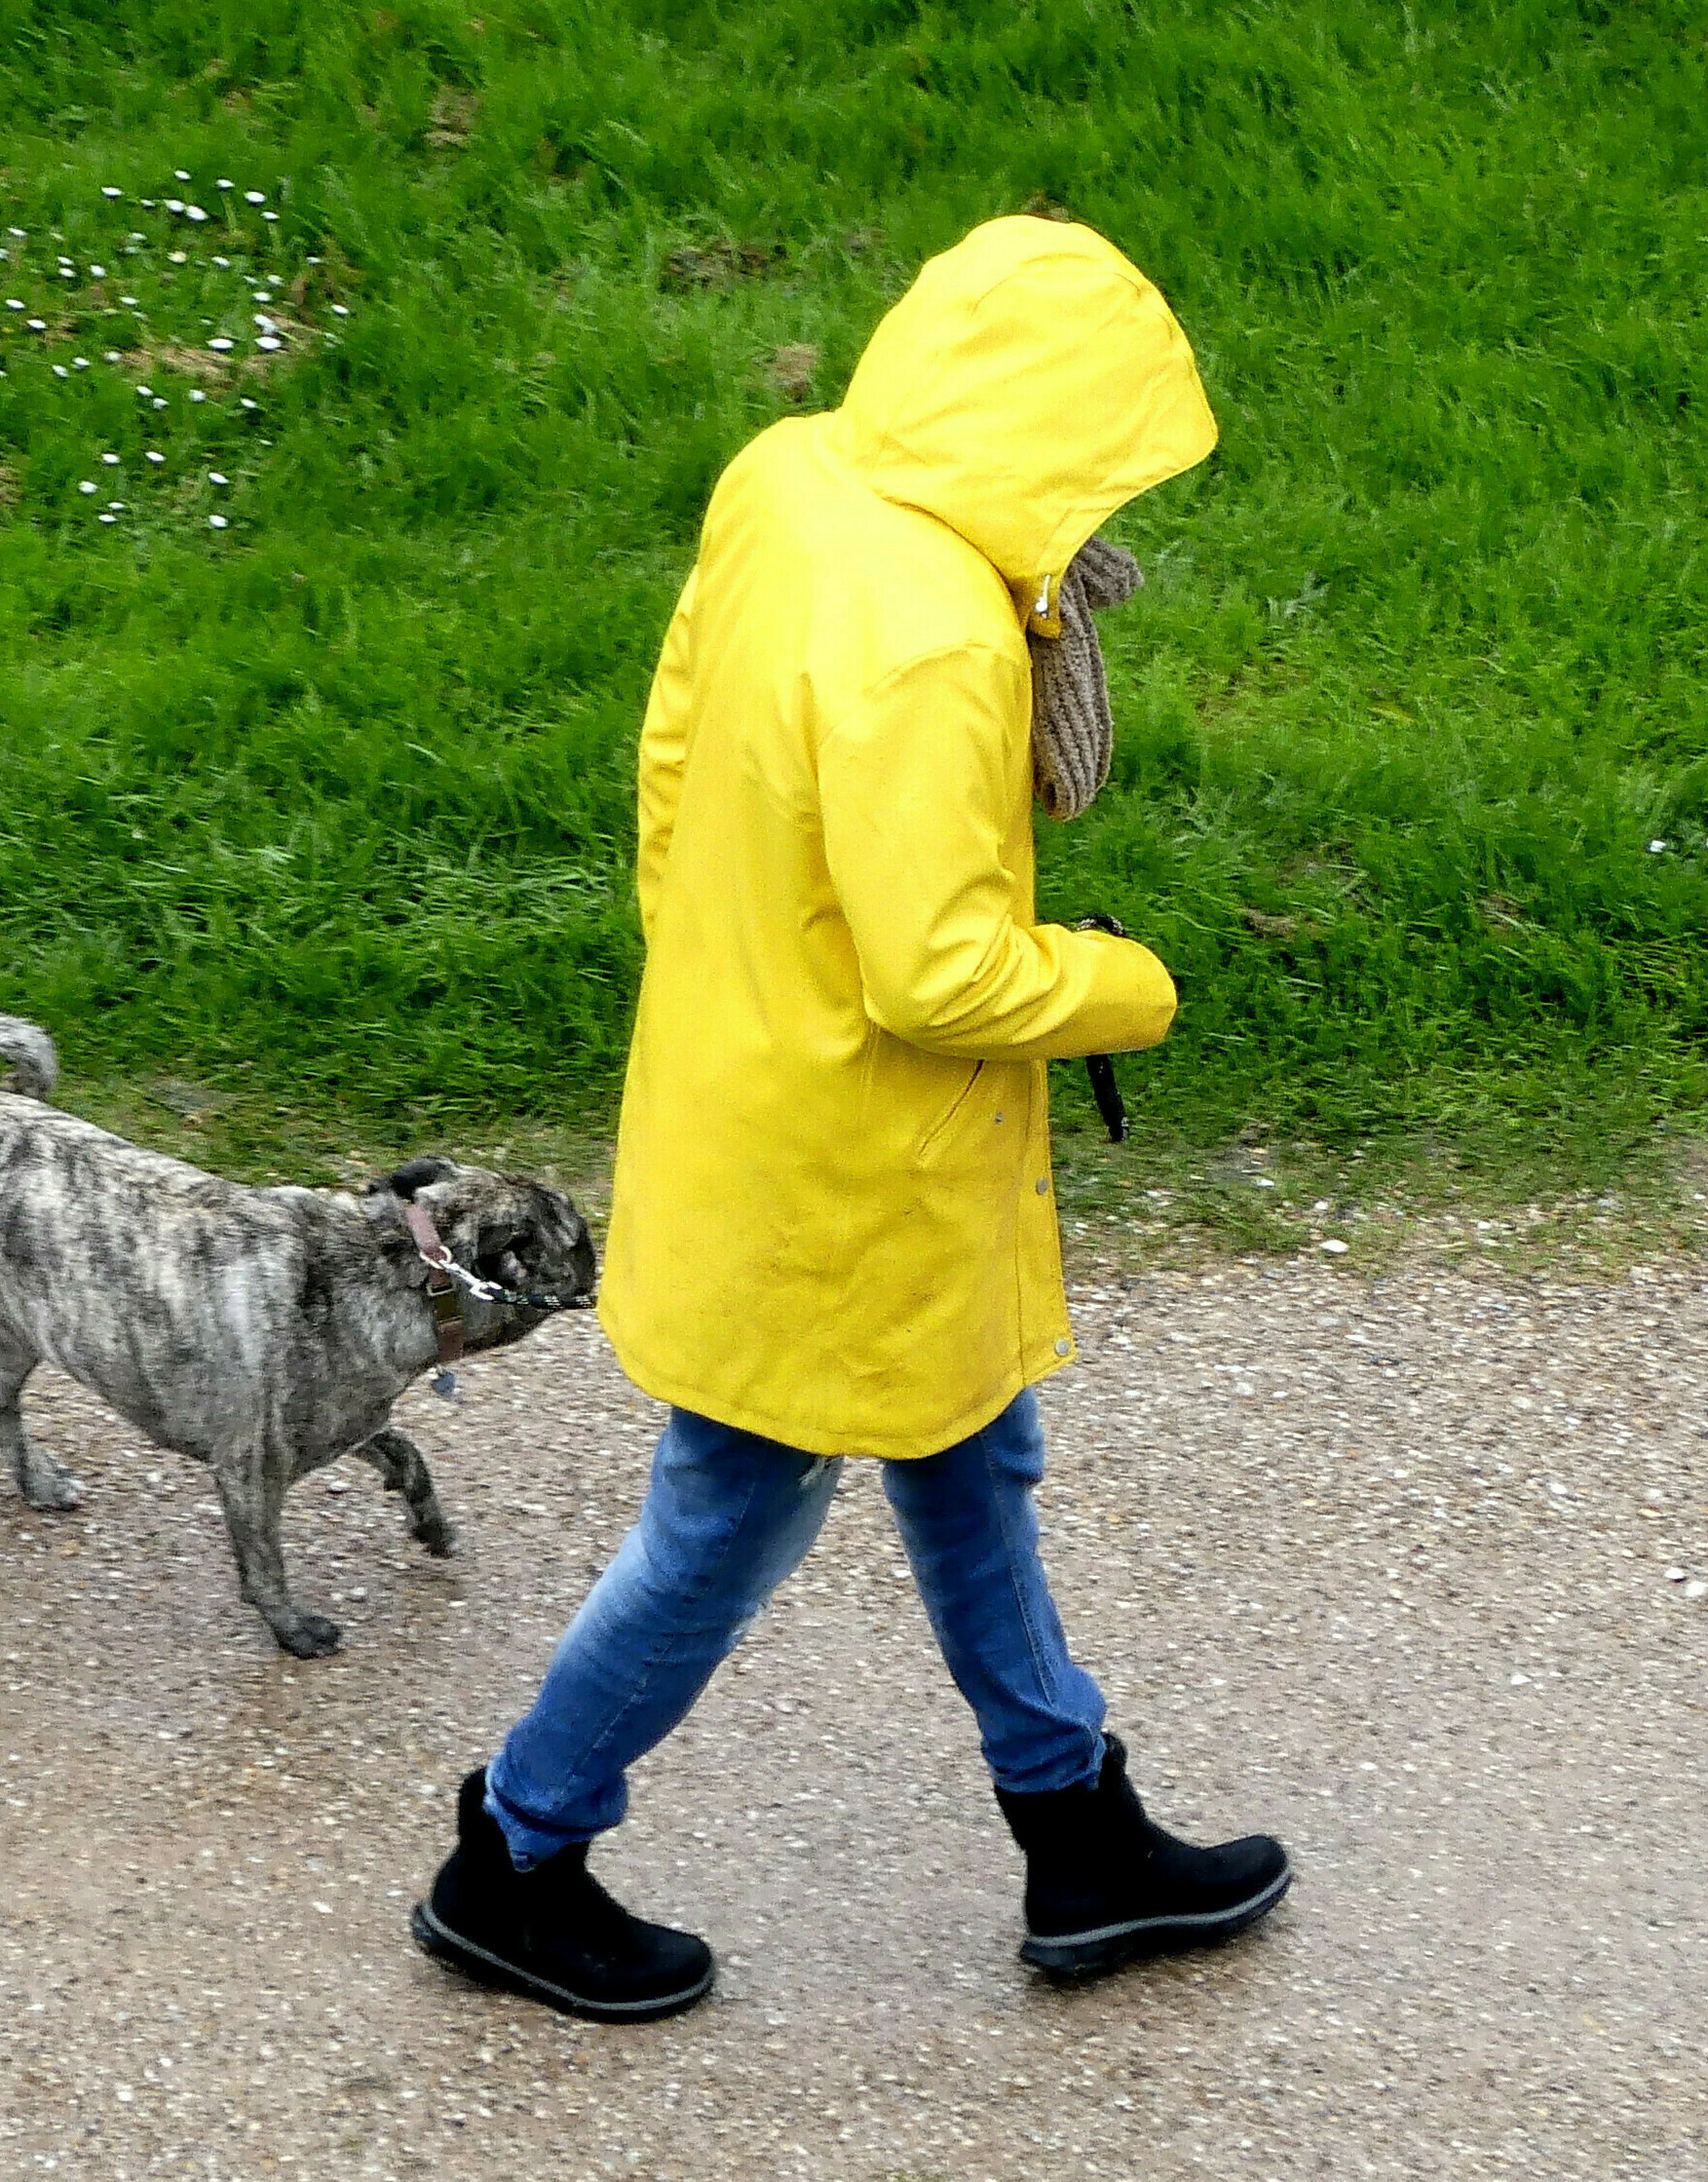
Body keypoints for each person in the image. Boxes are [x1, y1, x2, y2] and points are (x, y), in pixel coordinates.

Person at [407, 213, 1290, 2023]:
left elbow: (670, 745)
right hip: (844, 1171)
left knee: (974, 1462)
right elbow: (944, 976)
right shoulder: (937, 642)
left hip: (771, 1095)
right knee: (725, 1520)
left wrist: (717, 963)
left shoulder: (791, 480)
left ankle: (1077, 1833)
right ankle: (512, 1856)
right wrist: (1130, 986)